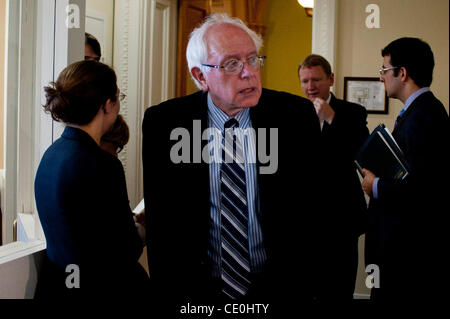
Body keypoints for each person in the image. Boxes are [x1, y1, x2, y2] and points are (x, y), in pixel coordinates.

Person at [142, 13, 322, 315]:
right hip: (196, 293)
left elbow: (315, 209)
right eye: (231, 64)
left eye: (253, 60)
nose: (248, 73)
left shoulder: (296, 117)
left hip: (280, 290)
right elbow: (163, 224)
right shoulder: (164, 123)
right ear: (200, 76)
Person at [34, 60, 149, 300]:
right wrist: (143, 227)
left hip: (56, 286)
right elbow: (125, 251)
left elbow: (82, 226)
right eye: (118, 98)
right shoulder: (102, 165)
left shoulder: (51, 155)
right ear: (107, 105)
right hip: (97, 289)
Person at [361, 37, 449, 304]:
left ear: (402, 72)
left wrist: (374, 186)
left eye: (384, 70)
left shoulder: (426, 116)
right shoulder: (418, 113)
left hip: (407, 251)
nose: (381, 78)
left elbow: (423, 189)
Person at [298, 54, 369, 301]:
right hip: (304, 221)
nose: (310, 86)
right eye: (305, 81)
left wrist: (332, 118)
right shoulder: (292, 115)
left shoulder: (353, 113)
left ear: (330, 79)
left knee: (339, 289)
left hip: (342, 218)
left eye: (316, 79)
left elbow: (362, 154)